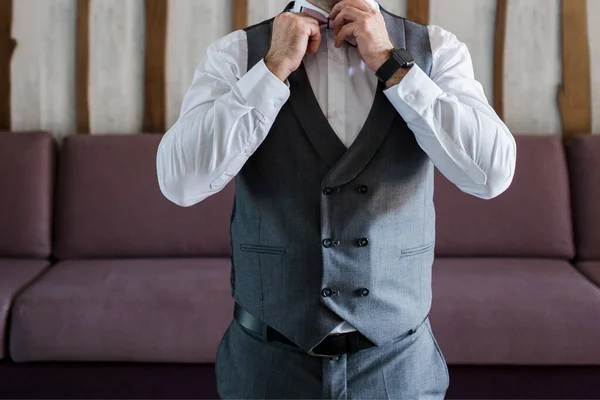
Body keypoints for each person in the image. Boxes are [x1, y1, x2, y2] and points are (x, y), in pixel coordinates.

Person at [156, 0, 517, 398]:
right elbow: (180, 182)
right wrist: (272, 67)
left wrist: (393, 65)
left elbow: (492, 175)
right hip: (267, 367)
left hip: (398, 368)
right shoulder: (236, 53)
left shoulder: (436, 49)